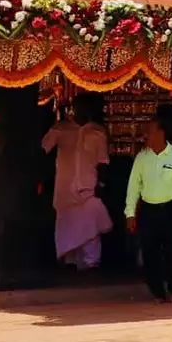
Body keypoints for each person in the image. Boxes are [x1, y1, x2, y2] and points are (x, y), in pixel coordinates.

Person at [126, 104, 172, 304]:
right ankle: (157, 291)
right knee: (149, 250)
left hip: (171, 209)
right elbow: (133, 187)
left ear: (161, 133)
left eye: (151, 131)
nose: (147, 135)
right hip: (149, 210)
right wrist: (130, 213)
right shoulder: (141, 158)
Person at [41, 93, 112, 270]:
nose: (81, 111)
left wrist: (101, 185)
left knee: (91, 229)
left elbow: (103, 161)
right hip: (64, 190)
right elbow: (42, 150)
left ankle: (92, 264)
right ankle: (69, 263)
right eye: (79, 107)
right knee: (67, 226)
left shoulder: (98, 131)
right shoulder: (61, 129)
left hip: (88, 188)